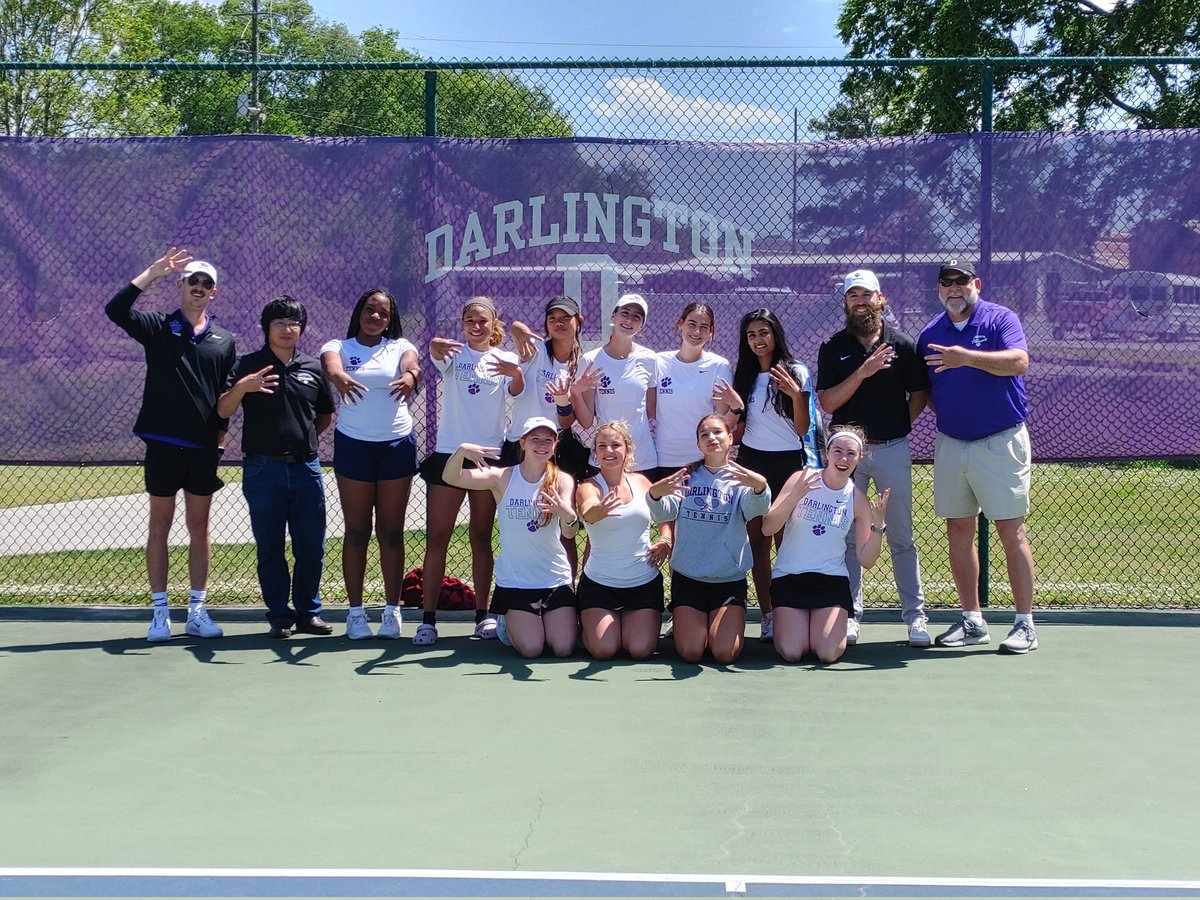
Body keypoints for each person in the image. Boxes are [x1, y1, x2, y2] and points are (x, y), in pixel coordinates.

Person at [104, 247, 235, 643]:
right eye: (192, 281)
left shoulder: (224, 340)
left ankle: (197, 611)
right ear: (180, 286)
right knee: (159, 525)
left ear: (214, 293)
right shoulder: (158, 326)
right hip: (162, 444)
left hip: (202, 451)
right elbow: (116, 311)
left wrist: (220, 439)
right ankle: (159, 614)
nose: (198, 287)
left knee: (200, 527)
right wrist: (152, 273)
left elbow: (226, 396)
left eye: (206, 284)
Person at [918, 261, 1038, 654]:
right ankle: (972, 620)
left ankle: (1025, 624)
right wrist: (957, 414)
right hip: (952, 444)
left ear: (976, 284)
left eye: (960, 281)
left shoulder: (1000, 319)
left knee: (1010, 532)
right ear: (938, 290)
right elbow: (931, 393)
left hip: (1001, 441)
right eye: (945, 283)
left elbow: (1019, 362)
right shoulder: (929, 335)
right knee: (957, 530)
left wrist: (966, 357)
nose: (954, 289)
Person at [817, 269, 932, 648]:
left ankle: (915, 618)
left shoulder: (903, 345)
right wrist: (862, 373)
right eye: (853, 296)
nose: (860, 302)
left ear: (880, 299)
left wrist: (896, 429)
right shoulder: (834, 348)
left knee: (900, 536)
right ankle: (850, 615)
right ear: (846, 303)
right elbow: (829, 402)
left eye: (867, 295)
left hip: (892, 450)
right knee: (850, 536)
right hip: (845, 456)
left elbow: (917, 396)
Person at [217, 296, 335, 639]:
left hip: (305, 469)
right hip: (262, 470)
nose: (287, 329)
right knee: (270, 547)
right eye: (279, 323)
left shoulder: (313, 367)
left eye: (294, 323)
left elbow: (324, 415)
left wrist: (303, 441)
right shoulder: (248, 365)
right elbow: (223, 410)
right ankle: (280, 616)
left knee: (311, 546)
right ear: (266, 328)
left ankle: (308, 613)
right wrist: (243, 387)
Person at [414, 296, 523, 646]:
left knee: (480, 538)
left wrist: (517, 373)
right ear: (462, 323)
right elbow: (432, 352)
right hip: (450, 455)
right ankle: (428, 620)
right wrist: (432, 345)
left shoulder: (505, 358)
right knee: (438, 538)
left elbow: (517, 389)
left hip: (489, 457)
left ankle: (483, 616)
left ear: (494, 324)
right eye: (469, 320)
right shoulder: (453, 353)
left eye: (482, 321)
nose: (476, 327)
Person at [320, 288, 420, 640]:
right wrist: (339, 376)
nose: (376, 317)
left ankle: (392, 612)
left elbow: (412, 364)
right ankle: (356, 613)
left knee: (391, 532)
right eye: (369, 310)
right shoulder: (339, 347)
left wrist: (410, 376)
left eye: (383, 313)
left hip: (396, 445)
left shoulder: (400, 346)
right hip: (354, 445)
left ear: (390, 318)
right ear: (358, 312)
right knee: (357, 530)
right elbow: (331, 365)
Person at [443, 417, 581, 658]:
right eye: (535, 439)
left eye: (548, 440)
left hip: (555, 579)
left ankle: (544, 621)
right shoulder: (503, 477)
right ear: (523, 442)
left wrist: (566, 513)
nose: (542, 445)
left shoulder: (562, 480)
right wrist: (461, 452)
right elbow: (451, 477)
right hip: (517, 583)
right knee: (532, 649)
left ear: (555, 445)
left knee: (563, 648)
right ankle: (507, 622)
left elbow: (569, 532)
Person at [647, 415, 770, 664]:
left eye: (717, 432)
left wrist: (759, 487)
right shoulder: (686, 477)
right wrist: (655, 495)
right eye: (704, 435)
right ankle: (685, 619)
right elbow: (664, 511)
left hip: (728, 581)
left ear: (730, 438)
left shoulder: (741, 478)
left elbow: (756, 508)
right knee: (691, 652)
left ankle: (720, 621)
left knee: (724, 653)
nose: (711, 438)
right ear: (698, 445)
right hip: (689, 579)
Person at [729, 308, 820, 643]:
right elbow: (737, 433)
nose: (757, 341)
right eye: (751, 335)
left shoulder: (795, 371)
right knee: (758, 543)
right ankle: (768, 614)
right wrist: (733, 408)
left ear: (776, 335)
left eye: (763, 333)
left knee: (787, 543)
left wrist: (796, 395)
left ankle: (788, 611)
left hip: (788, 466)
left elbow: (802, 427)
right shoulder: (746, 374)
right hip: (753, 464)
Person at [761, 427, 890, 664]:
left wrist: (878, 527)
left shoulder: (857, 498)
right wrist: (794, 497)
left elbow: (867, 560)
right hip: (790, 576)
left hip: (830, 581)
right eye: (838, 451)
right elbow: (768, 527)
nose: (843, 459)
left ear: (860, 458)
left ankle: (836, 621)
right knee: (791, 652)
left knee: (827, 653)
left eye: (851, 453)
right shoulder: (801, 479)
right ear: (827, 452)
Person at [575, 421, 672, 660]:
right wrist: (600, 510)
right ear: (595, 453)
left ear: (627, 449)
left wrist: (666, 539)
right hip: (599, 584)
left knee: (639, 650)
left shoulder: (641, 482)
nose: (609, 451)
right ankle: (584, 629)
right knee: (604, 650)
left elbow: (663, 518)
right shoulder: (587, 487)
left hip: (643, 583)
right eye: (602, 446)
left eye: (616, 445)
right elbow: (588, 511)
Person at [508, 296, 590, 574]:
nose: (559, 323)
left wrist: (563, 400)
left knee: (563, 525)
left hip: (557, 447)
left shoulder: (583, 364)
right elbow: (517, 328)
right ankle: (515, 585)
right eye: (553, 318)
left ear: (579, 322)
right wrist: (519, 331)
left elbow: (568, 420)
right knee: (517, 521)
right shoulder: (535, 352)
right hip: (521, 445)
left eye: (566, 317)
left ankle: (567, 588)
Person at [570, 294, 658, 474]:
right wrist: (576, 393)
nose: (629, 320)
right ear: (613, 316)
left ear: (642, 325)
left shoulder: (649, 359)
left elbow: (651, 410)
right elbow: (586, 421)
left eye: (636, 317)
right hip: (605, 458)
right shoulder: (591, 360)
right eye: (625, 313)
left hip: (642, 459)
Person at [648, 302, 734, 481]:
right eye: (692, 324)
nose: (696, 332)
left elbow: (721, 417)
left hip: (703, 458)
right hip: (664, 457)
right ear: (680, 324)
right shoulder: (658, 361)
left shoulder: (718, 365)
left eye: (703, 327)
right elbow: (651, 409)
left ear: (711, 332)